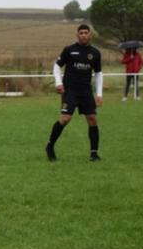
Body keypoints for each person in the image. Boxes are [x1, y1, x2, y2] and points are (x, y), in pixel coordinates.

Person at [45, 24, 104, 162]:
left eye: (86, 33)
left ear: (90, 35)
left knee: (92, 119)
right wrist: (58, 83)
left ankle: (94, 154)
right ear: (77, 35)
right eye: (81, 33)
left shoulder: (95, 53)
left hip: (86, 91)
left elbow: (98, 73)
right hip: (70, 90)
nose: (84, 35)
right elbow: (56, 66)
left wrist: (99, 93)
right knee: (65, 119)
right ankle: (50, 146)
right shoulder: (69, 50)